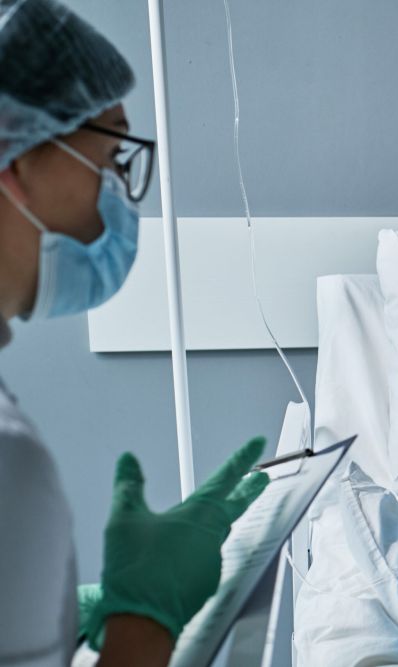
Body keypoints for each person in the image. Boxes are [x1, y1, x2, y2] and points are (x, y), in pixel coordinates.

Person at [0, 1, 269, 664]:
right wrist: (145, 617)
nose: (119, 192)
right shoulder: (10, 466)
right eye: (112, 155)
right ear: (16, 163)